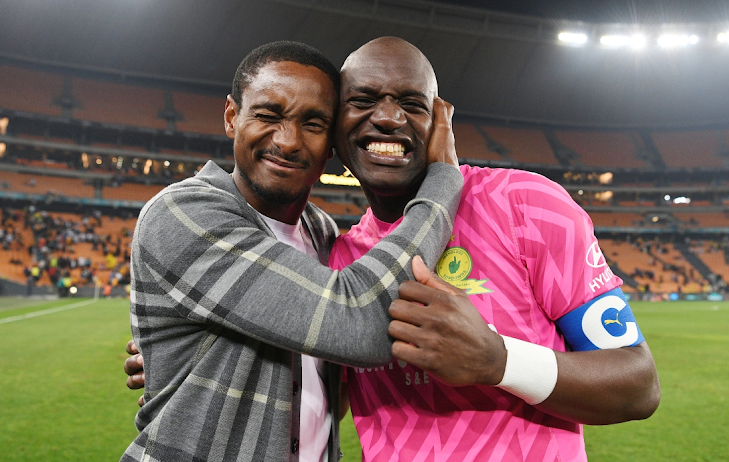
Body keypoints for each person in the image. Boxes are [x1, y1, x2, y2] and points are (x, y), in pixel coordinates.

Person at [127, 37, 660, 461]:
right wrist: (198, 357)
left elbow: (637, 385)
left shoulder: (527, 204)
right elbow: (333, 377)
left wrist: (500, 360)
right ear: (339, 133)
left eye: (411, 103)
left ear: (439, 120)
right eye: (362, 101)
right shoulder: (340, 256)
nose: (387, 118)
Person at [121, 41, 463, 462]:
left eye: (313, 124)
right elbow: (361, 323)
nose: (287, 141)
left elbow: (323, 388)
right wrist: (443, 180)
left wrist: (198, 360)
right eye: (268, 115)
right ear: (232, 116)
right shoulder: (182, 212)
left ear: (334, 141)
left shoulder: (320, 232)